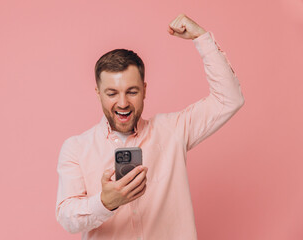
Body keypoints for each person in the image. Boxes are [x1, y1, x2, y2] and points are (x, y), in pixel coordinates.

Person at [55, 13, 245, 240]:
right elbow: (67, 217)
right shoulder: (76, 148)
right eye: (112, 93)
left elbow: (229, 99)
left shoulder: (173, 129)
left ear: (144, 89)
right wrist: (105, 202)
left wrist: (202, 39)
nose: (123, 103)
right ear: (98, 94)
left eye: (132, 91)